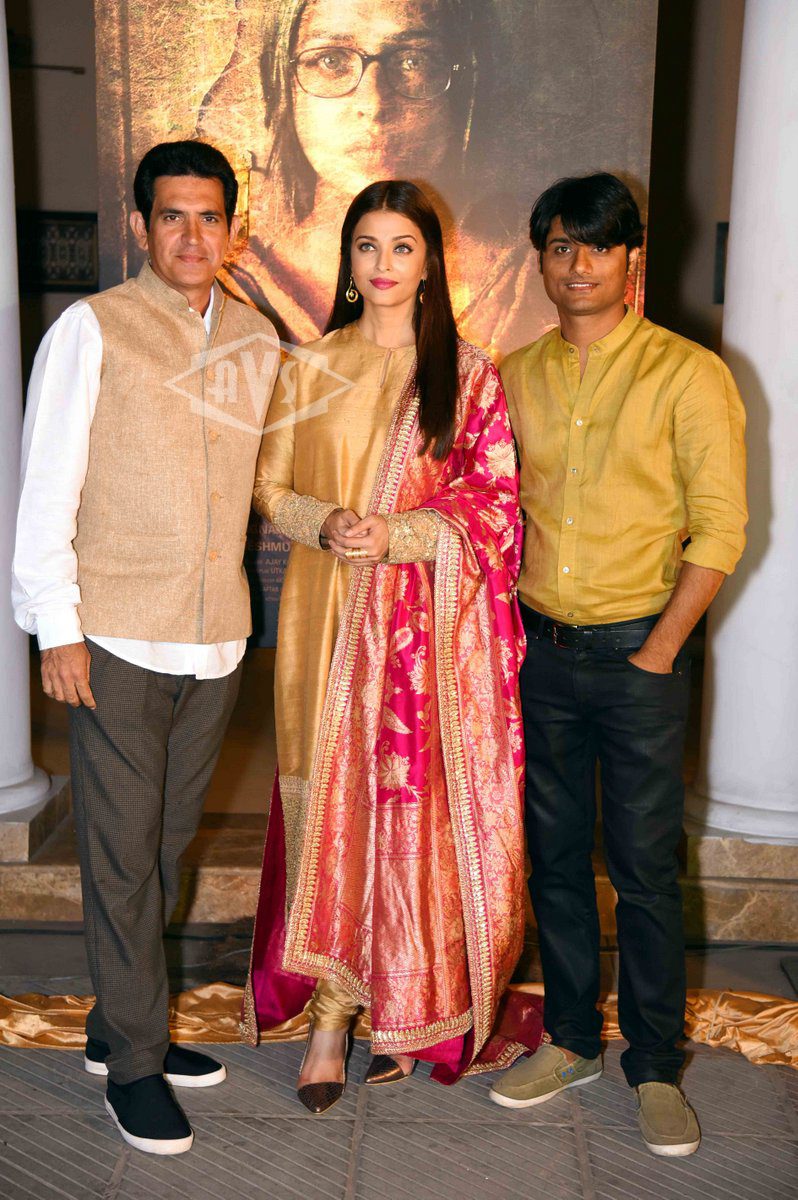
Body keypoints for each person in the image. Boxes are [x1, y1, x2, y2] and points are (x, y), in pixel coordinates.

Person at [244, 178, 543, 1113]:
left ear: (429, 264)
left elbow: (496, 504)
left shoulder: (468, 375)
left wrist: (405, 533)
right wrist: (327, 521)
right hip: (325, 624)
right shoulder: (311, 365)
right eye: (366, 246)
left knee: (408, 816)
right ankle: (332, 1016)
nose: (382, 264)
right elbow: (268, 488)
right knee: (334, 812)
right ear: (348, 260)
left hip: (425, 643)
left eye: (401, 247)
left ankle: (406, 1003)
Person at [12, 140, 279, 1154]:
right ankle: (133, 1063)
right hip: (116, 634)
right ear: (141, 226)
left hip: (215, 638)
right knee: (124, 860)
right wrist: (57, 626)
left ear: (233, 231)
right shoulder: (92, 329)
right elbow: (47, 484)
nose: (191, 235)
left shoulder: (256, 338)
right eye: (172, 216)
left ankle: (116, 1022)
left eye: (209, 217)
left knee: (163, 849)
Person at [490, 173, 747, 1155]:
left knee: (643, 870)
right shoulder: (514, 375)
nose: (579, 265)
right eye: (561, 246)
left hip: (642, 658)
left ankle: (655, 1064)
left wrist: (658, 653)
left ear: (632, 257)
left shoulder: (689, 374)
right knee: (554, 861)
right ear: (540, 260)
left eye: (598, 246)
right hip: (541, 656)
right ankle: (568, 1041)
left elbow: (721, 528)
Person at [196, 0, 539, 356]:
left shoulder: (524, 281)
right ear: (282, 83)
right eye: (331, 61)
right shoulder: (224, 291)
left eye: (413, 61)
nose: (374, 105)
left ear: (464, 86)